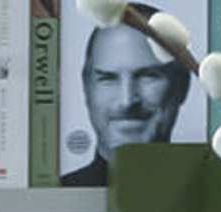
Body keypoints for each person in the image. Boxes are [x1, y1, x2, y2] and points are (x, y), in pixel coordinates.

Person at [59, 20, 198, 187]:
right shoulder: (58, 193)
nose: (127, 102)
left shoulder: (217, 192)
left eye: (148, 76)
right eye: (108, 78)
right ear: (86, 87)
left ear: (182, 85)